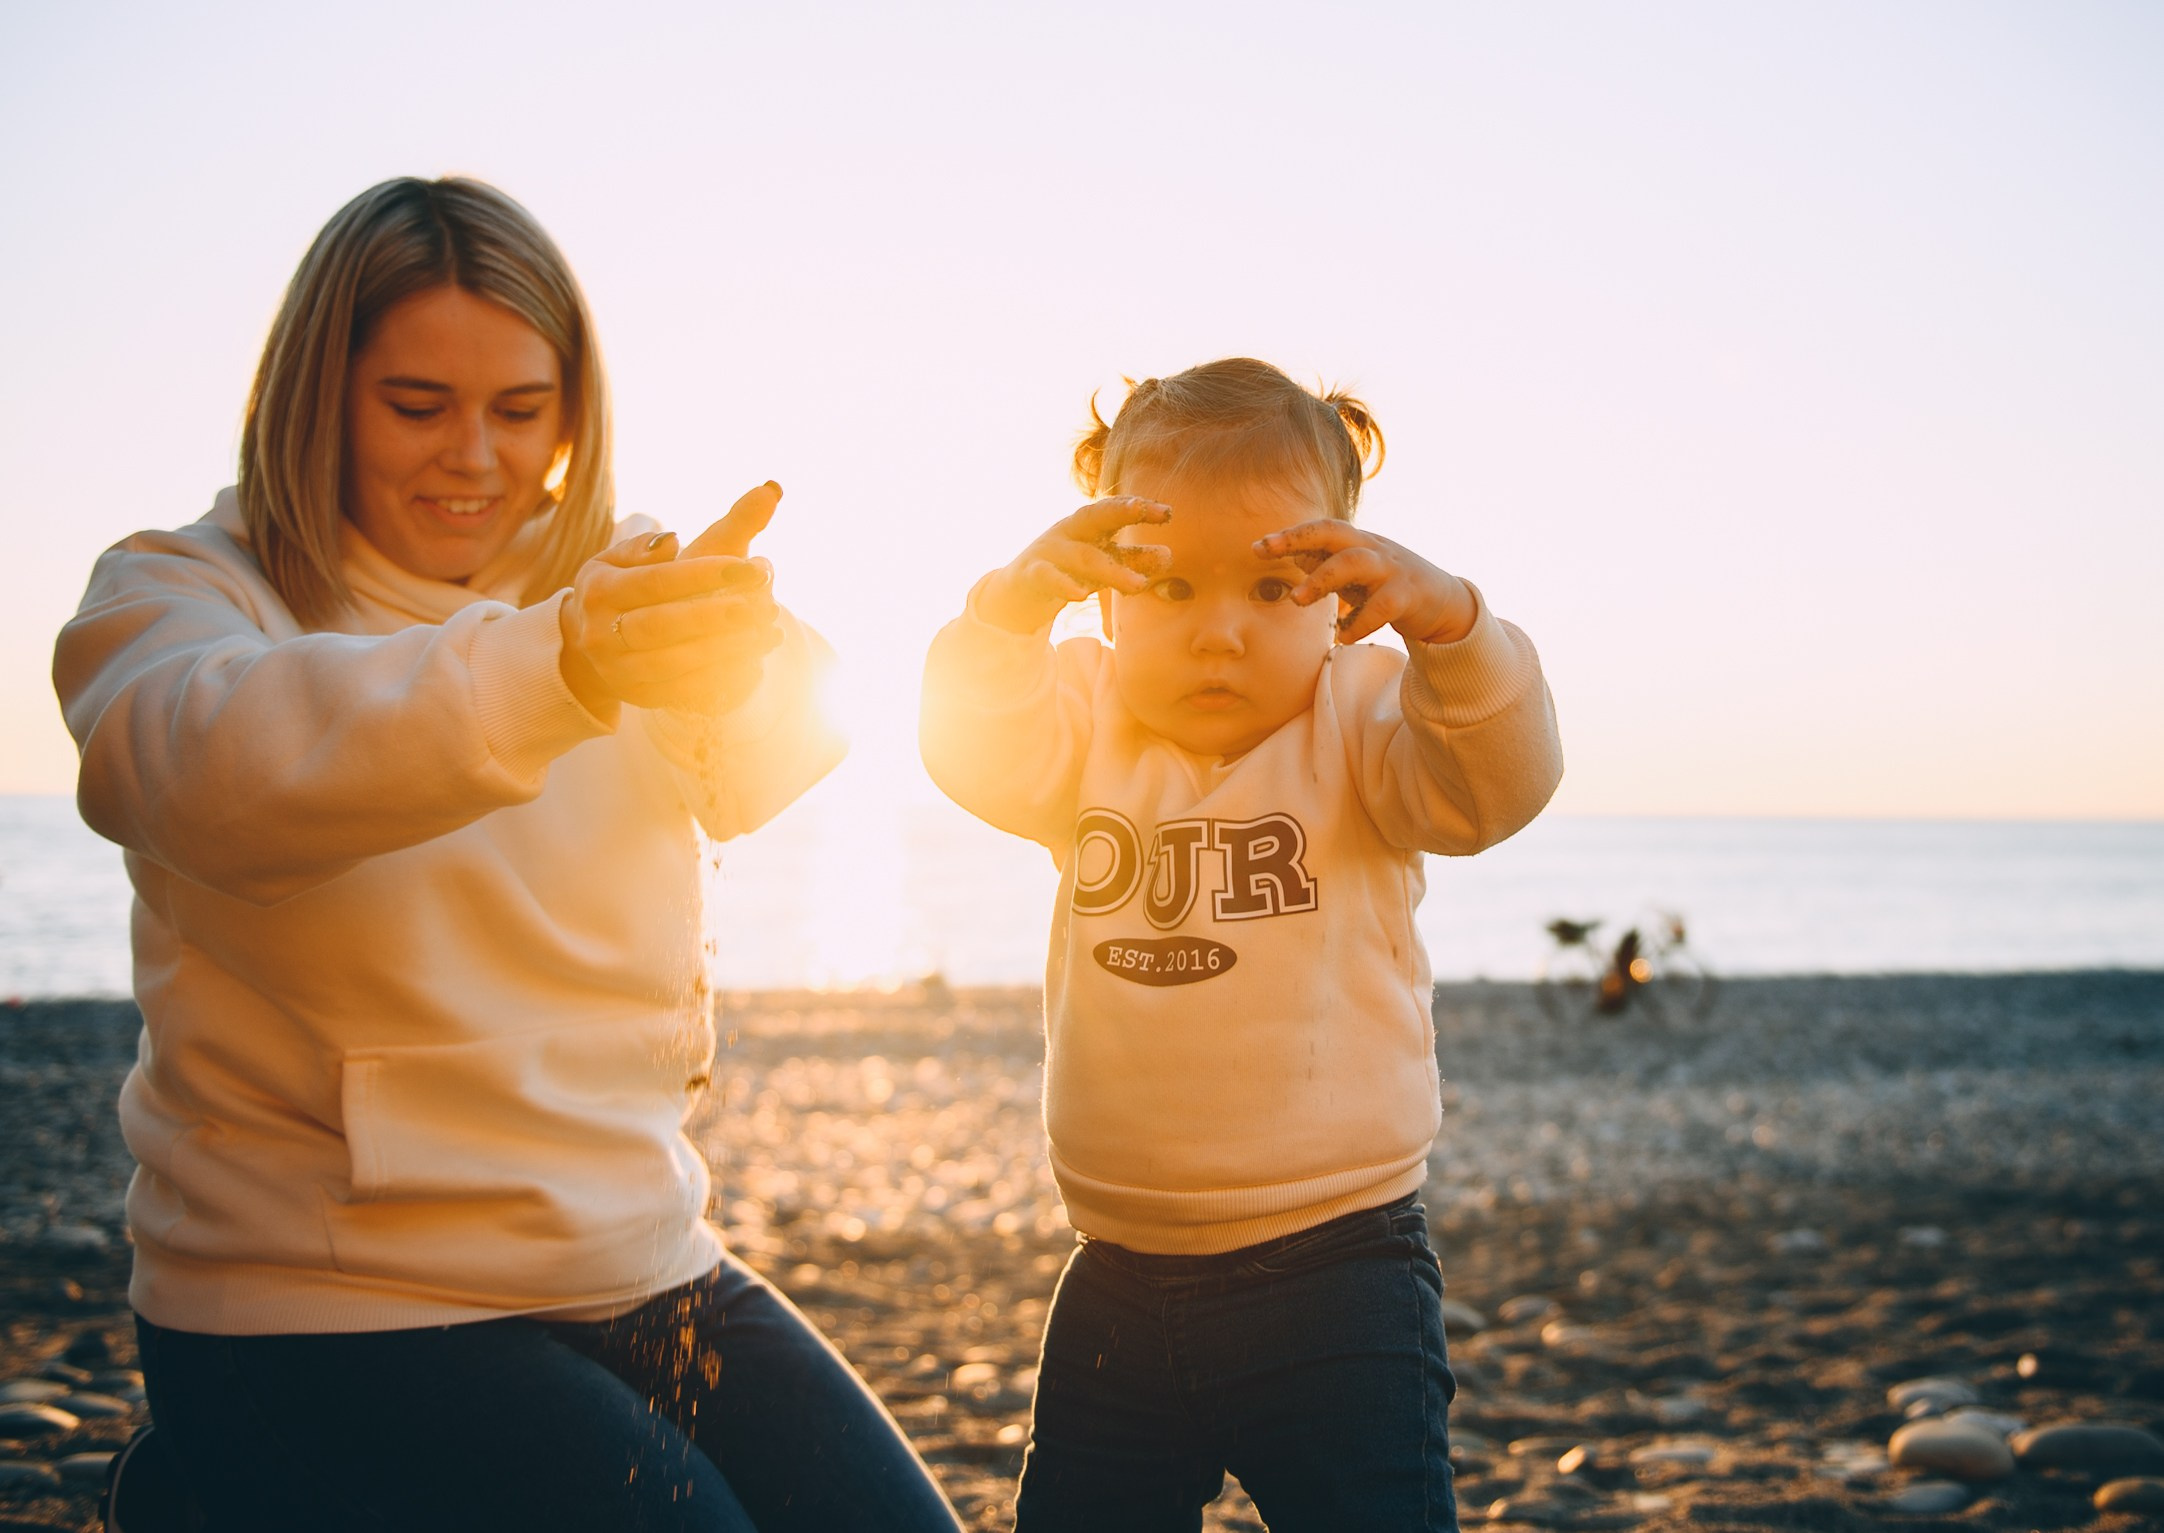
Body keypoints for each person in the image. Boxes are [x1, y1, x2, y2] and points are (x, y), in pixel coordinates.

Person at [54, 176, 961, 1533]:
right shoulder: (186, 591)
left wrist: (738, 658)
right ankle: (228, 1477)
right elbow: (197, 771)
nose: (474, 455)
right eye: (417, 406)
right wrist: (566, 664)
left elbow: (773, 758)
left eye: (520, 411)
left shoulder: (607, 578)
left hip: (639, 1259)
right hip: (321, 1298)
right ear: (319, 395)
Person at [919, 358, 1564, 1532]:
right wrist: (1002, 615)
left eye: (1271, 593)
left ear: (1340, 595)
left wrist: (1455, 629)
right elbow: (972, 746)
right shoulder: (1081, 722)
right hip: (1114, 1269)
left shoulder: (1364, 720)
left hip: (1338, 1275)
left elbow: (1495, 791)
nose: (1219, 634)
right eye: (1169, 589)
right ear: (1104, 595)